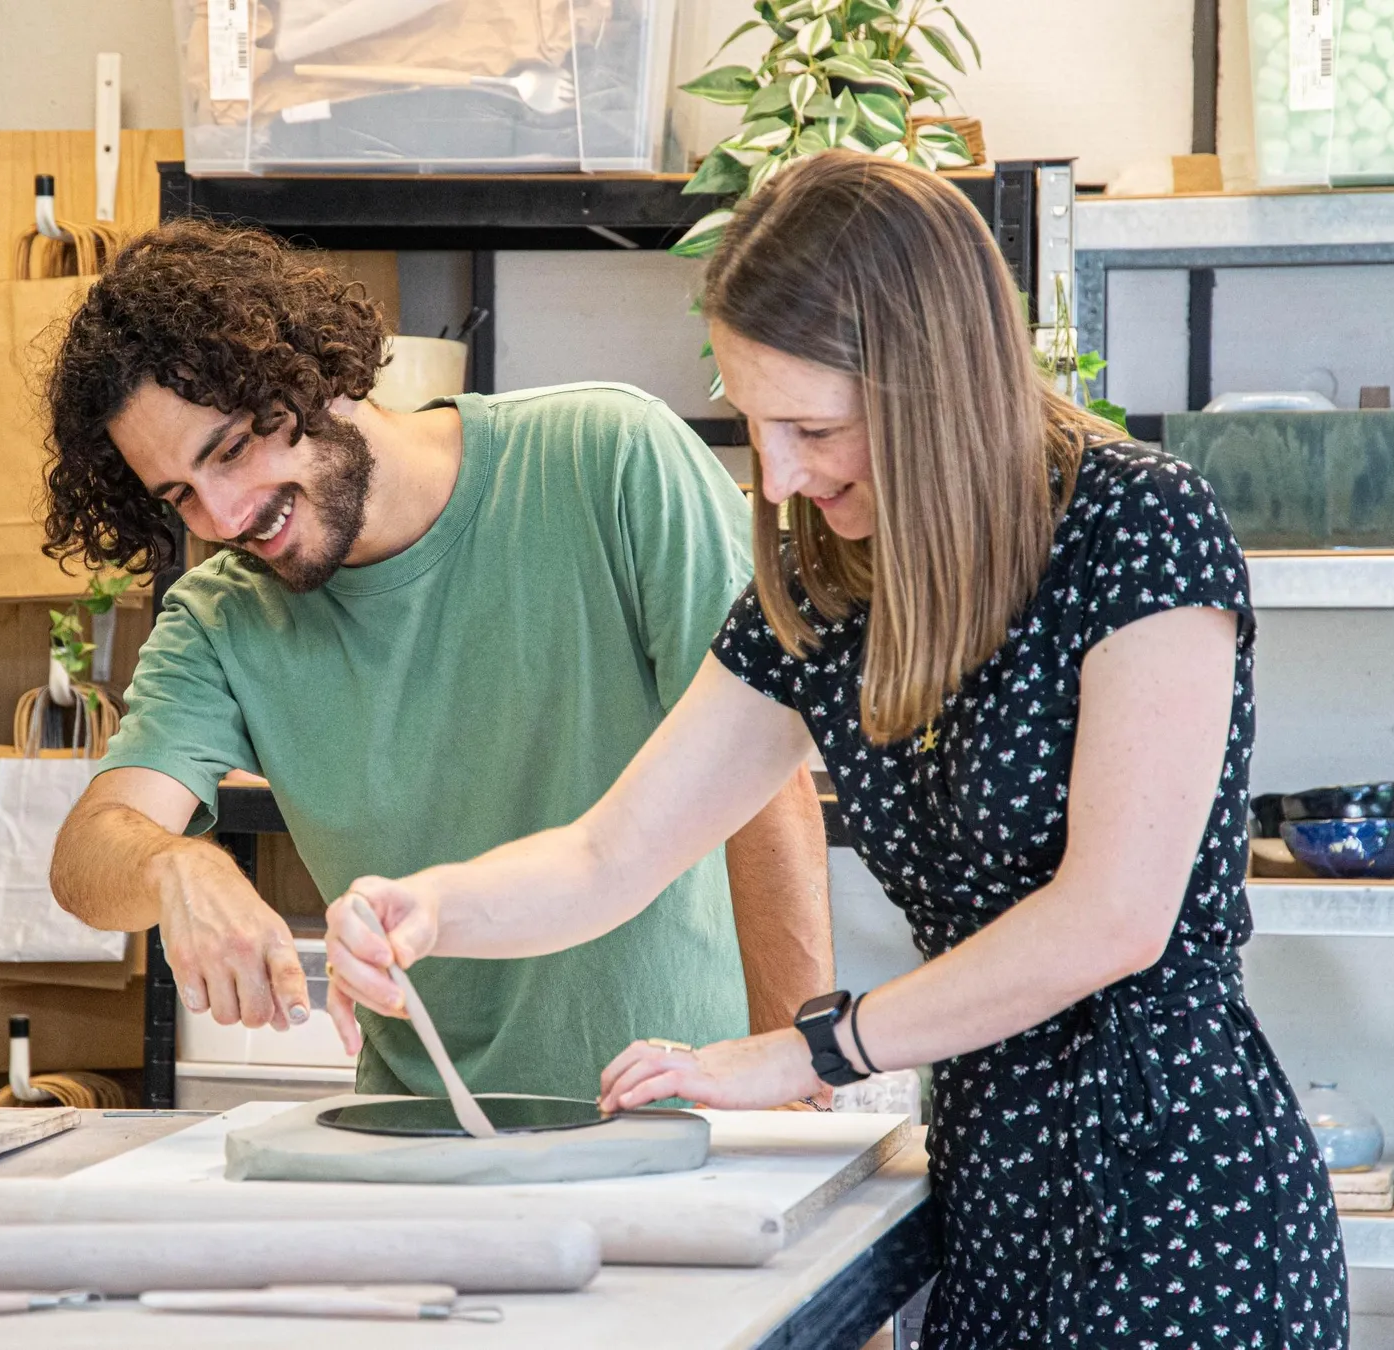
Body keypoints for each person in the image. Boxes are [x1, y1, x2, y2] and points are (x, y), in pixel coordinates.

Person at [323, 154, 1348, 1348]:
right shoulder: (827, 579)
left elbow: (1113, 918)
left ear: (936, 387)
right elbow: (612, 852)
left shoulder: (1137, 526)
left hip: (1184, 1211)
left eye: (815, 426)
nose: (786, 474)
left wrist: (811, 1049)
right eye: (758, 426)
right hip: (986, 1204)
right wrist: (429, 909)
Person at [41, 220, 831, 1101]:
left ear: (313, 374)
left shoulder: (610, 461)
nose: (225, 516)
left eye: (230, 449)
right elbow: (86, 858)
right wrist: (174, 864)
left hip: (689, 1121)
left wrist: (800, 1084)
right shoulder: (222, 618)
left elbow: (765, 791)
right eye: (181, 494)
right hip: (425, 1145)